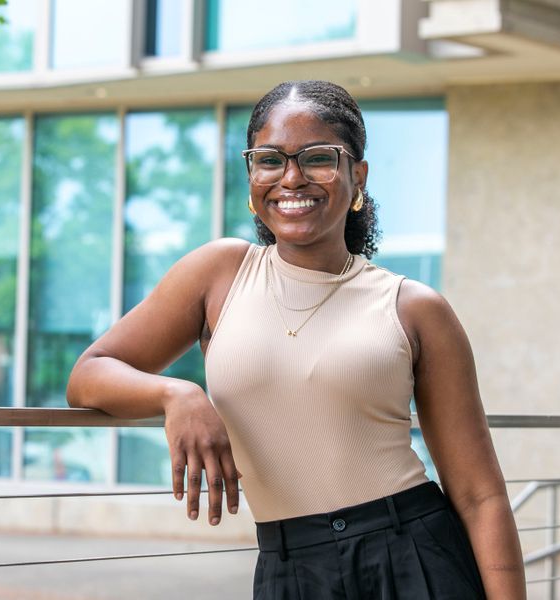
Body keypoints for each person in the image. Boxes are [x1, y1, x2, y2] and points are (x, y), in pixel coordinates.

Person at [67, 80, 526, 599]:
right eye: (270, 159)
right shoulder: (218, 275)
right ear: (251, 176)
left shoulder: (414, 308)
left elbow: (478, 494)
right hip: (290, 569)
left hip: (413, 558)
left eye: (318, 158)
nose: (292, 178)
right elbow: (89, 373)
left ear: (358, 176)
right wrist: (178, 396)